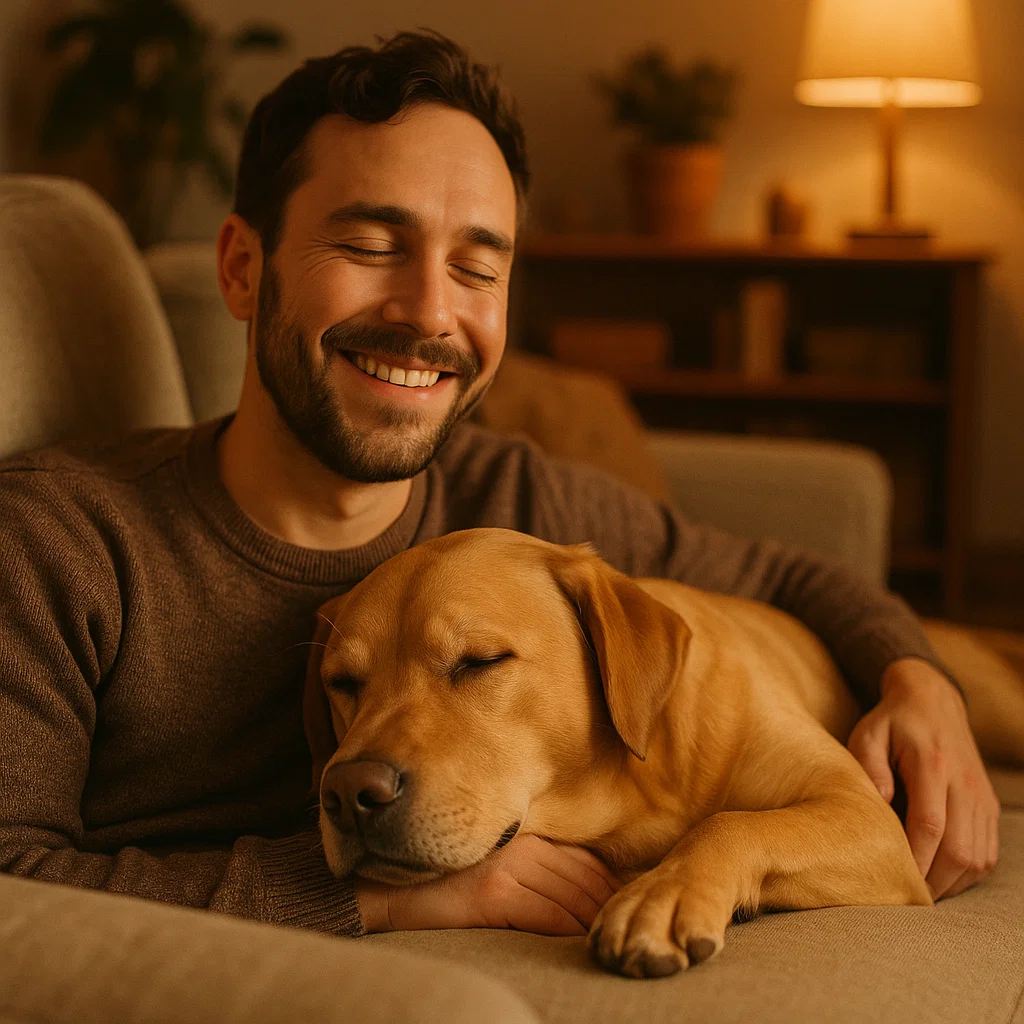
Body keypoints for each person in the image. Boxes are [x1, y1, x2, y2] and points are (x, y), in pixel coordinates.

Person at [0, 30, 998, 940]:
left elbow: (785, 579)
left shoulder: (519, 508)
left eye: (476, 268)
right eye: (368, 244)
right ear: (241, 269)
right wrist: (375, 894)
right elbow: (12, 874)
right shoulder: (56, 539)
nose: (429, 311)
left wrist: (918, 682)